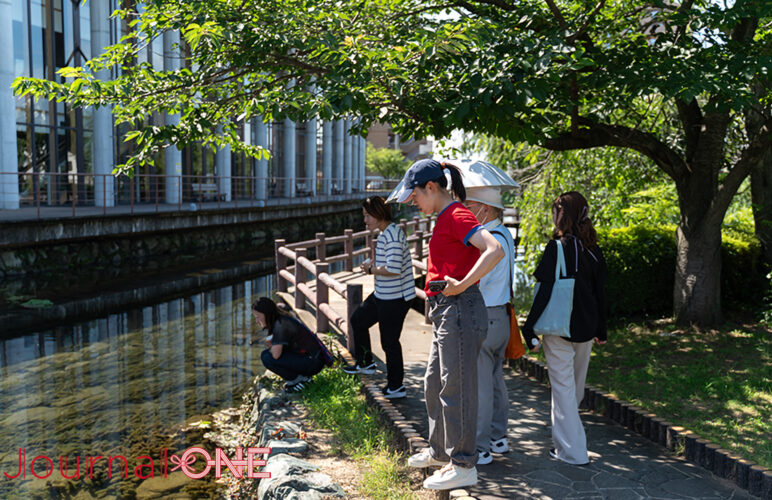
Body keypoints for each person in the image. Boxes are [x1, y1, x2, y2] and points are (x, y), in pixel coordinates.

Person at [391, 158, 505, 490]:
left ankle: (464, 463)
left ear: (431, 187)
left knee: (457, 388)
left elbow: (494, 250)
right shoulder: (445, 216)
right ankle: (441, 452)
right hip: (448, 308)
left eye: (414, 195)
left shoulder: (457, 214)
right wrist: (445, 289)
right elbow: (445, 274)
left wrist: (464, 284)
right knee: (434, 384)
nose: (412, 202)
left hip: (460, 310)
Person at [521, 191, 608, 465]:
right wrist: (601, 328)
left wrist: (528, 328)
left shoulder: (556, 248)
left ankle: (572, 452)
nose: (553, 215)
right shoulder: (594, 250)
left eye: (556, 210)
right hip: (586, 329)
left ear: (563, 215)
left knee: (564, 391)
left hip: (559, 329)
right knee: (574, 390)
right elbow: (601, 294)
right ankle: (568, 444)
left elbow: (544, 293)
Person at [343, 196, 416, 399]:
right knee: (358, 320)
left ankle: (396, 386)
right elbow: (392, 262)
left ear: (378, 214)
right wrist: (374, 265)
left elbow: (393, 269)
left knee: (389, 342)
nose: (365, 220)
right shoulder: (388, 233)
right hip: (384, 294)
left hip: (395, 297)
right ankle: (365, 362)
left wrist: (371, 269)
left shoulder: (390, 235)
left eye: (367, 216)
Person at [463, 186, 516, 465]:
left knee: (482, 385)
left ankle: (481, 446)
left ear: (486, 208)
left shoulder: (488, 241)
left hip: (486, 316)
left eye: (472, 207)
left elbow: (478, 282)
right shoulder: (506, 234)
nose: (469, 212)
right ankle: (498, 437)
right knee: (495, 380)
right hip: (502, 318)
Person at [253, 297, 324, 392]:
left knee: (266, 357)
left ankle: (300, 381)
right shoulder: (281, 319)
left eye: (258, 317)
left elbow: (276, 355)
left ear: (266, 314)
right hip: (312, 358)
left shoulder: (280, 325)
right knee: (268, 354)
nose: (257, 321)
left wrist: (271, 346)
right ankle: (300, 379)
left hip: (312, 362)